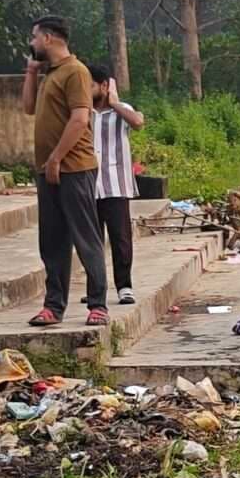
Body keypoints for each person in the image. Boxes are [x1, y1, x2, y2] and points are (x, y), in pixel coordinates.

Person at [18, 16, 104, 327]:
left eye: (34, 37)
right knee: (52, 241)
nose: (32, 43)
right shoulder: (49, 74)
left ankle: (98, 305)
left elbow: (80, 119)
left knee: (85, 237)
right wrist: (31, 72)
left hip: (73, 168)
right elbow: (28, 108)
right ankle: (53, 306)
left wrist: (56, 158)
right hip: (48, 169)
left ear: (49, 38)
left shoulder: (76, 72)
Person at [89, 65, 144, 305]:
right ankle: (96, 287)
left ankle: (124, 286)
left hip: (116, 185)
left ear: (103, 86)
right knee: (91, 240)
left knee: (120, 238)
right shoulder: (83, 113)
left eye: (91, 85)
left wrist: (114, 103)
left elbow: (138, 123)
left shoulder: (122, 111)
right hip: (88, 184)